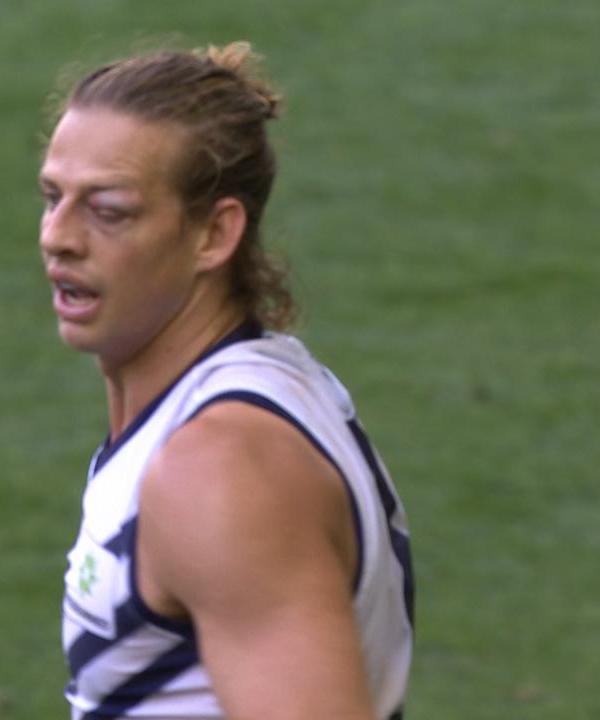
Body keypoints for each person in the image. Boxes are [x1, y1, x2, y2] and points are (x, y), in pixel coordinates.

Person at [39, 41, 415, 720]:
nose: (58, 237)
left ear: (213, 235)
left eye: (109, 210)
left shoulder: (220, 468)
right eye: (52, 197)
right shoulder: (259, 393)